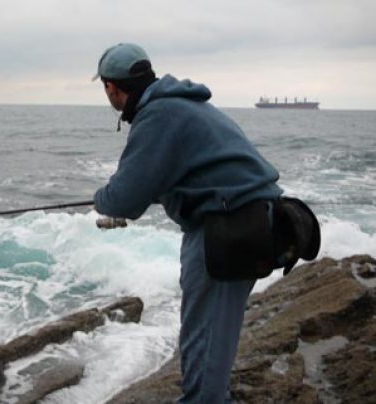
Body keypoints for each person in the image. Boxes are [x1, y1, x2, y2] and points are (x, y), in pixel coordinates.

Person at [90, 43, 285, 403]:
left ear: (111, 88)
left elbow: (123, 199)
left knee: (205, 339)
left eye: (107, 90)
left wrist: (100, 198)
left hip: (229, 230)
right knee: (214, 335)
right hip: (254, 220)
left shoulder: (158, 115)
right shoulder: (183, 104)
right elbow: (190, 167)